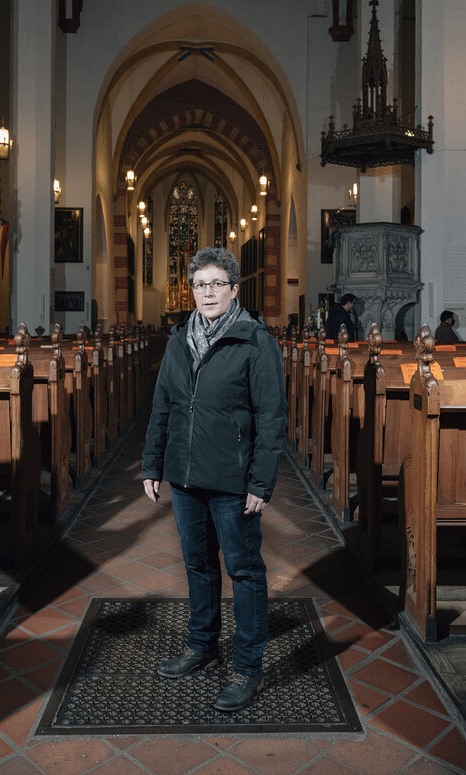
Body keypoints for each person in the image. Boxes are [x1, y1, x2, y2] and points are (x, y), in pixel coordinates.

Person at [141, 246, 287, 713]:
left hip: (233, 480)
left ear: (233, 289)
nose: (207, 293)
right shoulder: (179, 337)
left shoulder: (255, 341)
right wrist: (152, 463)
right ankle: (201, 646)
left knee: (243, 571)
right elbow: (162, 403)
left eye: (216, 284)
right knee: (198, 566)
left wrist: (261, 482)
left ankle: (246, 666)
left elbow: (271, 417)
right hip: (185, 477)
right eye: (200, 285)